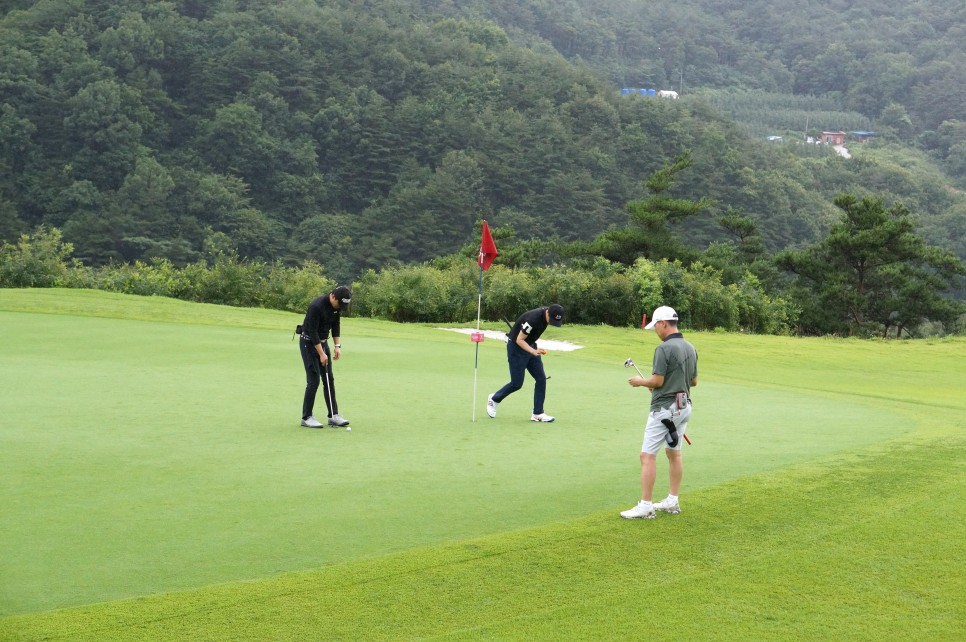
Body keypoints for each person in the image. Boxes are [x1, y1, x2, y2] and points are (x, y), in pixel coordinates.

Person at [620, 305, 698, 519]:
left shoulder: (663, 349)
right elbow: (693, 381)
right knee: (674, 453)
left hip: (664, 409)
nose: (656, 330)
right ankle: (672, 501)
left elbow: (657, 380)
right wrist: (663, 384)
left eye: (656, 326)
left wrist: (640, 382)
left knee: (647, 456)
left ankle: (646, 505)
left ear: (664, 323)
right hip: (684, 408)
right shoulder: (690, 347)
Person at [486, 304, 564, 423]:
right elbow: (519, 340)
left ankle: (537, 413)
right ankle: (494, 399)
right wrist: (533, 351)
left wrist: (534, 349)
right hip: (516, 347)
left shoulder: (547, 315)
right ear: (547, 313)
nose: (552, 323)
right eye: (552, 319)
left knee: (541, 378)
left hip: (530, 345)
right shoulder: (533, 319)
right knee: (517, 383)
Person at [299, 285, 352, 428]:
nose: (340, 307)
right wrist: (321, 354)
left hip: (323, 343)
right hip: (308, 343)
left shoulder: (336, 308)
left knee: (328, 379)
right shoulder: (317, 306)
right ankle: (307, 417)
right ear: (333, 296)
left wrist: (337, 346)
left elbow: (336, 326)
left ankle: (333, 415)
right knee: (314, 379)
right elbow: (312, 331)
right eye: (339, 304)